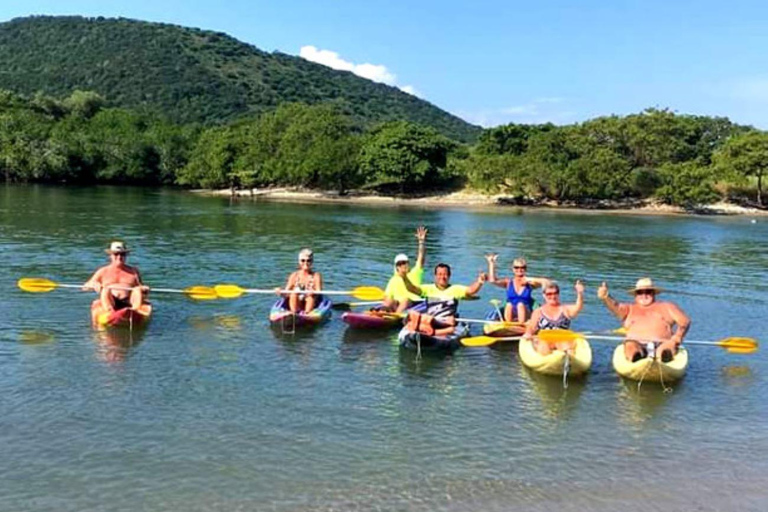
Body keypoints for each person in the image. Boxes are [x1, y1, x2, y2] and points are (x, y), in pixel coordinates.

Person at [598, 278, 691, 363]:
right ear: (636, 295)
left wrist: (677, 337)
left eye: (648, 292)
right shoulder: (628, 309)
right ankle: (636, 358)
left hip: (663, 343)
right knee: (630, 346)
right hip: (636, 344)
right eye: (640, 292)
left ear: (653, 293)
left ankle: (665, 358)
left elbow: (685, 321)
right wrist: (606, 297)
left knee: (667, 348)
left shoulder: (668, 307)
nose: (644, 295)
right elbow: (615, 306)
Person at [399, 263, 486, 336]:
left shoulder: (455, 289)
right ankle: (424, 328)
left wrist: (479, 282)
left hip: (446, 323)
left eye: (445, 274)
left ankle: (431, 330)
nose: (442, 277)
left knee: (438, 321)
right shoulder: (428, 289)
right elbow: (411, 289)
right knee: (413, 315)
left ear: (449, 276)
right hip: (430, 320)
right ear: (435, 276)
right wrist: (404, 277)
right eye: (440, 274)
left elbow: (471, 291)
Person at [523, 280, 585, 355]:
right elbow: (532, 327)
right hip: (545, 339)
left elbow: (578, 307)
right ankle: (546, 360)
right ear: (544, 295)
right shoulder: (538, 311)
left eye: (555, 293)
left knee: (566, 345)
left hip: (562, 339)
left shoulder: (565, 309)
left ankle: (568, 360)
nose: (553, 296)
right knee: (543, 346)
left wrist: (580, 293)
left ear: (558, 294)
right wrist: (528, 333)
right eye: (549, 294)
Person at [83, 241, 147, 312]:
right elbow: (85, 287)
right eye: (116, 254)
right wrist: (93, 284)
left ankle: (135, 312)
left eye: (122, 254)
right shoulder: (103, 271)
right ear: (111, 256)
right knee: (105, 290)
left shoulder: (134, 271)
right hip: (110, 301)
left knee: (137, 290)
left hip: (129, 301)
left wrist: (143, 289)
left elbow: (142, 288)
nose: (119, 257)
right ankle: (109, 312)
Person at [485, 254, 550, 322]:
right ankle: (508, 325)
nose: (519, 269)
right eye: (516, 267)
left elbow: (546, 282)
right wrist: (491, 263)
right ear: (513, 269)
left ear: (525, 269)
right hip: (511, 312)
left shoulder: (530, 283)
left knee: (520, 305)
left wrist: (528, 279)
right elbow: (492, 281)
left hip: (526, 312)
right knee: (509, 304)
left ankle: (521, 325)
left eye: (522, 267)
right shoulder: (508, 282)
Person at [381, 226, 427, 313]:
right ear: (397, 267)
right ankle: (382, 314)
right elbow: (387, 296)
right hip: (397, 304)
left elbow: (421, 258)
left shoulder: (415, 273)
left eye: (405, 262)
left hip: (413, 303)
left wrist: (421, 242)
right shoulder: (393, 280)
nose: (403, 265)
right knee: (390, 300)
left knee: (405, 300)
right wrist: (386, 302)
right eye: (400, 263)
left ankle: (395, 316)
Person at [279, 248, 324, 314]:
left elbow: (319, 291)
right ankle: (293, 314)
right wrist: (280, 292)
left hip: (311, 303)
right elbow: (286, 293)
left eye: (308, 260)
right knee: (293, 294)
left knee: (310, 297)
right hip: (297, 303)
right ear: (299, 262)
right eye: (303, 260)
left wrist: (314, 292)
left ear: (312, 262)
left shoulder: (316, 276)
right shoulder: (294, 275)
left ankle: (307, 314)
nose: (305, 263)